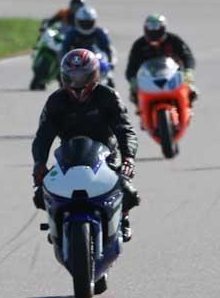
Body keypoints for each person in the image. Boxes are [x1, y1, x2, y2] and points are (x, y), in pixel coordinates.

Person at [31, 49, 140, 241]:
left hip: (106, 155)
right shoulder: (56, 100)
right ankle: (56, 223)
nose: (77, 83)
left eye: (82, 76)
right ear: (63, 76)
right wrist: (39, 162)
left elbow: (125, 130)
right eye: (72, 77)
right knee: (41, 193)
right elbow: (43, 136)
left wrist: (128, 158)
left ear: (94, 75)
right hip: (69, 155)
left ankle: (123, 219)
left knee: (127, 189)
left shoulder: (108, 96)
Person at [125, 14, 198, 104]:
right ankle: (143, 112)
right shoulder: (139, 45)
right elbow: (131, 66)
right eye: (150, 27)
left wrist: (188, 71)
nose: (153, 30)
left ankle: (186, 108)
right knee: (134, 95)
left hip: (172, 77)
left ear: (163, 27)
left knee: (190, 90)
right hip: (148, 79)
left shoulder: (174, 40)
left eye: (156, 26)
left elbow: (187, 56)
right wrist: (133, 81)